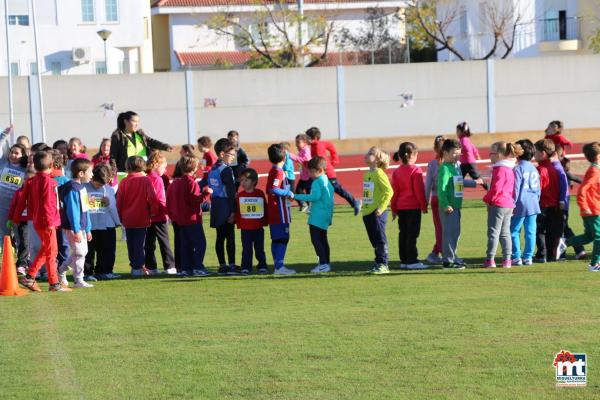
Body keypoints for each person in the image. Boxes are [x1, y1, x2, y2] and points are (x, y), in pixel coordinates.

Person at [16, 151, 71, 292]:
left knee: (46, 249)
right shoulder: (49, 182)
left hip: (38, 221)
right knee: (52, 252)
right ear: (52, 165)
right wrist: (50, 222)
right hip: (47, 222)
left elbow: (24, 200)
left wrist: (16, 217)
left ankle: (30, 276)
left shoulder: (32, 181)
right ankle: (54, 283)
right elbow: (48, 204)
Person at [437, 139, 483, 269]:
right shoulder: (445, 169)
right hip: (449, 208)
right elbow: (442, 189)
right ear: (445, 153)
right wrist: (445, 204)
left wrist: (474, 183)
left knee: (455, 233)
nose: (457, 156)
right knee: (449, 234)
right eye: (454, 153)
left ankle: (452, 256)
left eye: (459, 153)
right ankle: (448, 261)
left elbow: (458, 182)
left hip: (456, 206)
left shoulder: (455, 166)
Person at [167, 156, 212, 277]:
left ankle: (186, 268)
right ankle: (198, 266)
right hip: (192, 219)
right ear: (194, 168)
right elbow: (195, 200)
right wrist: (206, 193)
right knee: (200, 243)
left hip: (181, 219)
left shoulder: (178, 182)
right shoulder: (191, 183)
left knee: (185, 245)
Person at [291, 156, 335, 273]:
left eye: (311, 171)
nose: (309, 174)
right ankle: (326, 264)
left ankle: (323, 263)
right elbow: (330, 199)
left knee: (316, 240)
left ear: (320, 170)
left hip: (317, 217)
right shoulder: (327, 180)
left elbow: (314, 197)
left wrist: (296, 196)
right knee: (323, 239)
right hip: (325, 216)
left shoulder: (317, 182)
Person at [116, 156, 159, 276]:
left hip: (128, 218)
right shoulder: (146, 180)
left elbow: (119, 200)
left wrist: (119, 216)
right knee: (140, 244)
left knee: (131, 243)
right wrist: (153, 212)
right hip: (142, 217)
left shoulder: (124, 181)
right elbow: (152, 199)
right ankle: (137, 267)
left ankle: (135, 266)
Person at [305, 127, 361, 215]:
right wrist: (334, 159)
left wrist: (307, 164)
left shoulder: (317, 146)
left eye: (307, 138)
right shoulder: (315, 145)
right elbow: (330, 146)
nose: (305, 139)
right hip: (322, 172)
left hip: (327, 173)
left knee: (338, 190)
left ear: (314, 138)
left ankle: (355, 202)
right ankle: (316, 208)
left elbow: (319, 162)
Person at [57, 158, 94, 288]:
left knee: (81, 252)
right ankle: (78, 280)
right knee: (79, 253)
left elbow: (85, 209)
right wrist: (76, 230)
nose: (92, 175)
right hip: (73, 228)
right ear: (81, 174)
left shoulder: (82, 188)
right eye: (90, 172)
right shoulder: (72, 189)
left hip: (81, 227)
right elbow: (73, 212)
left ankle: (61, 270)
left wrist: (88, 228)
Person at [391, 142, 428, 270]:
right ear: (413, 155)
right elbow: (419, 190)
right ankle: (412, 260)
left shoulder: (396, 172)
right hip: (413, 207)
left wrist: (394, 209)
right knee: (412, 234)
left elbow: (394, 193)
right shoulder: (416, 170)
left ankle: (404, 260)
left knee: (403, 234)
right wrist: (424, 205)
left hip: (401, 207)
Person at [482, 142, 518, 269]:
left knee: (493, 232)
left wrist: (487, 199)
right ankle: (507, 260)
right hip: (508, 204)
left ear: (498, 155)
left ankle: (490, 259)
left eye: (491, 153)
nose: (489, 156)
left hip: (498, 204)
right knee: (505, 232)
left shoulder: (500, 169)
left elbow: (495, 189)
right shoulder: (509, 169)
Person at [566, 142, 600, 271]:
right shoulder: (594, 171)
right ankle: (594, 264)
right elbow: (582, 190)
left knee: (589, 237)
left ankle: (564, 242)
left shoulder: (594, 169)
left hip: (592, 209)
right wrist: (585, 206)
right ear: (598, 155)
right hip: (592, 210)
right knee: (598, 237)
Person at [84, 164, 120, 280]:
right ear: (92, 178)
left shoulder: (108, 190)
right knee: (89, 251)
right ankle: (88, 273)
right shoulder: (84, 188)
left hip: (104, 226)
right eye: (97, 183)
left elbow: (113, 208)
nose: (99, 186)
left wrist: (117, 221)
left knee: (106, 250)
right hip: (90, 226)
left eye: (101, 185)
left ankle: (104, 271)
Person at [208, 138, 238, 275]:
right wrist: (233, 211)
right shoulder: (226, 170)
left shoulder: (213, 168)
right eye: (231, 154)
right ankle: (231, 264)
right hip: (226, 205)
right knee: (229, 237)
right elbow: (231, 192)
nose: (233, 157)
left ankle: (222, 265)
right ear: (221, 154)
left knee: (220, 237)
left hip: (216, 205)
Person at [361, 147, 393, 274]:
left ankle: (383, 264)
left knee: (380, 239)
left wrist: (381, 208)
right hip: (368, 213)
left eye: (371, 153)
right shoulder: (367, 174)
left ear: (378, 159)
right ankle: (378, 262)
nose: (367, 155)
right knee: (374, 240)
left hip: (377, 213)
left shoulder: (379, 173)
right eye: (367, 152)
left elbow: (389, 191)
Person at [144, 152, 176, 275]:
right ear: (156, 165)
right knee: (164, 242)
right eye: (164, 167)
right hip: (159, 216)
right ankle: (170, 266)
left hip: (149, 217)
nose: (165, 169)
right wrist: (166, 212)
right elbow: (159, 198)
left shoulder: (146, 177)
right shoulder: (157, 179)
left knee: (149, 243)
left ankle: (151, 267)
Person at [266, 144, 296, 275]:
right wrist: (288, 193)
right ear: (284, 157)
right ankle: (280, 267)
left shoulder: (273, 170)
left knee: (276, 239)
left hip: (274, 210)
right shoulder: (278, 171)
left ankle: (277, 265)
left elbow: (268, 188)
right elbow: (274, 189)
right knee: (283, 238)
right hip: (280, 211)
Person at [510, 139, 541, 267]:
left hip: (521, 204)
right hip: (533, 203)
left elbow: (515, 189)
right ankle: (528, 257)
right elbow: (538, 188)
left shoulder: (518, 169)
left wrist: (512, 203)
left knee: (514, 231)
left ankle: (516, 256)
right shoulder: (534, 168)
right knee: (530, 232)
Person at [534, 139, 562, 263]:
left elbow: (537, 189)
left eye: (536, 152)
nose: (534, 155)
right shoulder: (555, 168)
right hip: (555, 205)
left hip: (542, 205)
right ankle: (551, 255)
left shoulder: (540, 170)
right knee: (552, 232)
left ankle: (541, 254)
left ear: (543, 153)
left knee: (539, 230)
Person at [236, 168, 268, 275]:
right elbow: (237, 210)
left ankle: (262, 265)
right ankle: (246, 266)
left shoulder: (260, 193)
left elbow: (265, 208)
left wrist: (265, 221)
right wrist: (237, 221)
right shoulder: (240, 195)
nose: (243, 183)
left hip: (258, 228)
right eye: (241, 180)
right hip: (245, 228)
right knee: (246, 249)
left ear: (253, 181)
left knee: (260, 248)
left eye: (246, 180)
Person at [0, 125, 28, 239]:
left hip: (16, 206)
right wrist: (3, 135)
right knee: (4, 233)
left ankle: (19, 252)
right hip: (2, 206)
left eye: (17, 153)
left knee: (18, 234)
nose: (13, 155)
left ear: (23, 155)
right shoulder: (3, 163)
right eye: (12, 152)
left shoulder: (25, 169)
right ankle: (6, 253)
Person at [7, 167, 34, 276]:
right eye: (26, 179)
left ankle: (28, 262)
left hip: (34, 221)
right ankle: (21, 265)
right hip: (22, 222)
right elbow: (13, 206)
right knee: (24, 243)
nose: (28, 181)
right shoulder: (19, 192)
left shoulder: (36, 193)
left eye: (31, 180)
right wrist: (11, 219)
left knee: (32, 244)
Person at [424, 135, 446, 264]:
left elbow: (427, 185)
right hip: (450, 200)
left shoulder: (432, 165)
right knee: (449, 228)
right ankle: (442, 253)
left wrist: (424, 203)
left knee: (439, 228)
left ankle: (437, 252)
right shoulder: (454, 163)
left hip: (436, 199)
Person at [456, 121, 489, 190]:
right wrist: (476, 153)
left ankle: (486, 186)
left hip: (469, 163)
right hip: (464, 163)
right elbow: (473, 147)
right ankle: (457, 191)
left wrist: (459, 151)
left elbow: (467, 148)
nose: (457, 133)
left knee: (476, 176)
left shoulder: (464, 140)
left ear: (463, 132)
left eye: (458, 131)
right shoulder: (464, 139)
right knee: (459, 177)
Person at [289, 133, 312, 212]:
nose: (297, 145)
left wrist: (292, 156)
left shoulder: (306, 149)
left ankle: (310, 207)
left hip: (309, 177)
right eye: (296, 143)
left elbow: (306, 160)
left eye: (298, 143)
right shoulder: (302, 150)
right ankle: (305, 205)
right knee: (298, 190)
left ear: (305, 143)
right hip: (303, 177)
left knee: (308, 193)